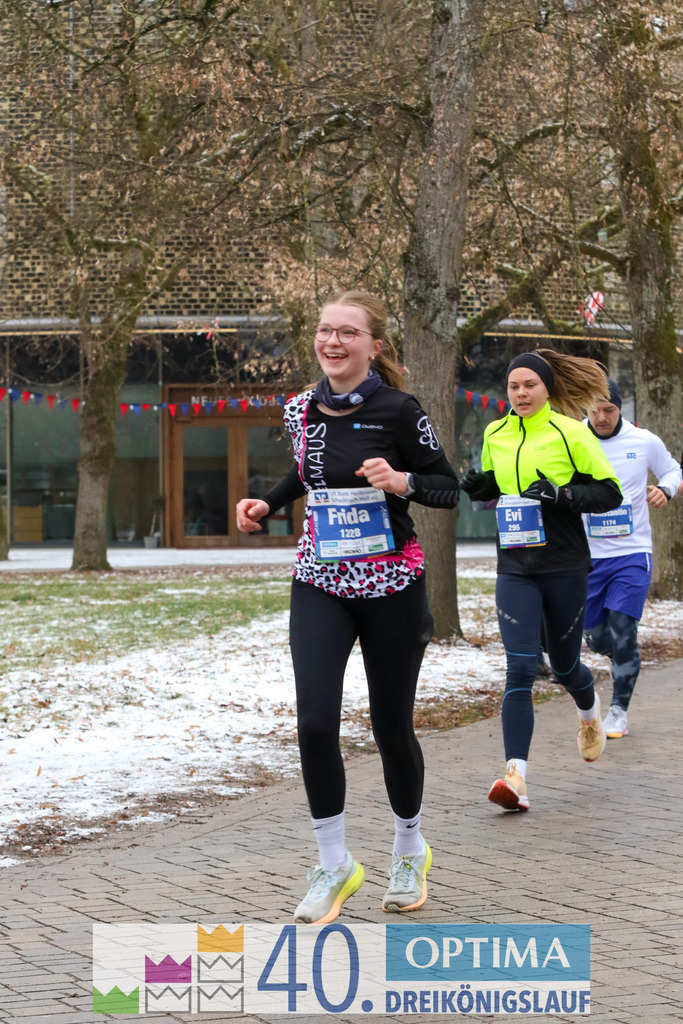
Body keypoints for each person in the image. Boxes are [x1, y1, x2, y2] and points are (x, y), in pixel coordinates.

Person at [235, 291, 459, 923]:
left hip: (391, 586)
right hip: (321, 581)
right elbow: (308, 476)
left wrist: (403, 482)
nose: (333, 342)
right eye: (325, 331)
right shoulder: (300, 409)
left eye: (348, 333)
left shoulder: (400, 409)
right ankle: (334, 865)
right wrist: (266, 505)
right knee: (313, 725)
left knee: (391, 728)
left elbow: (448, 487)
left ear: (374, 346)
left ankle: (410, 848)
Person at [460, 349, 622, 812]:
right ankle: (516, 777)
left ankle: (589, 715)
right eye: (514, 386)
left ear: (547, 388)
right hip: (514, 566)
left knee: (567, 666)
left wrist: (561, 493)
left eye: (530, 384)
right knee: (521, 665)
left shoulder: (572, 432)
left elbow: (608, 492)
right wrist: (481, 487)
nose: (521, 393)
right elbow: (499, 485)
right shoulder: (496, 432)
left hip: (564, 564)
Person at [582, 380, 681, 738]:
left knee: (624, 628)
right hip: (589, 556)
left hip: (632, 552)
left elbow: (674, 471)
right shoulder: (575, 437)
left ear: (620, 409)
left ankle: (619, 711)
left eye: (609, 410)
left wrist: (665, 490)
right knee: (594, 637)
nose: (601, 417)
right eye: (594, 410)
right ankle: (624, 658)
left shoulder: (644, 441)